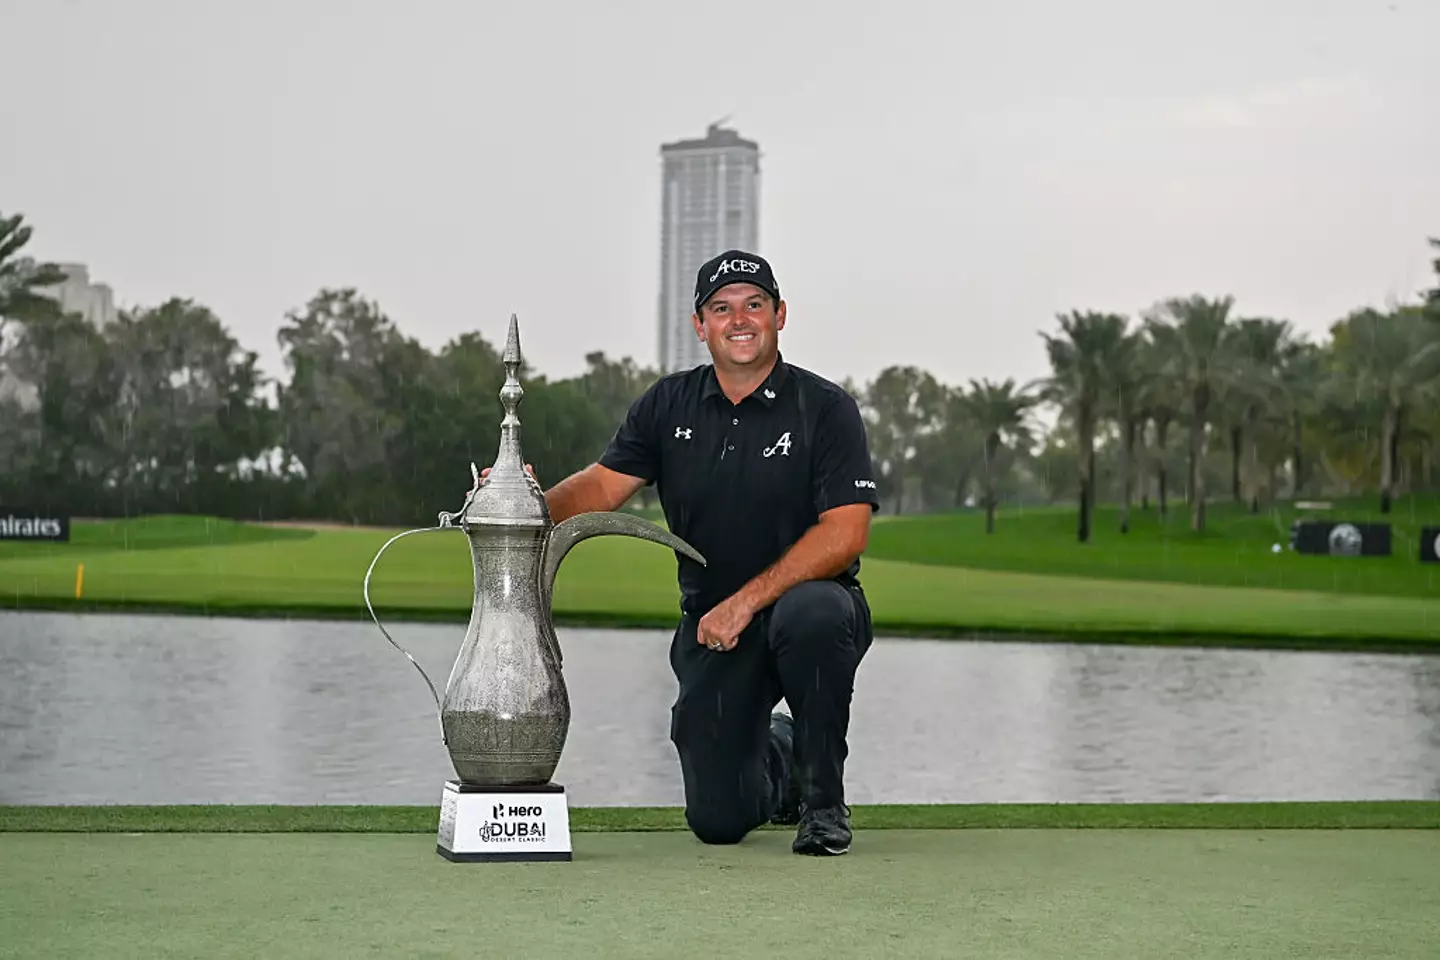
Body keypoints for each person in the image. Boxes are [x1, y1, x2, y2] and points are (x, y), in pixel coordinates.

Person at [532, 250, 879, 856]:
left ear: (780, 315)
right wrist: (522, 500)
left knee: (814, 614)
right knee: (718, 821)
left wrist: (746, 602)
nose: (738, 320)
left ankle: (824, 805)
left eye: (754, 305)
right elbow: (600, 487)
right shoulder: (668, 405)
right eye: (722, 308)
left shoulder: (826, 408)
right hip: (714, 630)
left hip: (812, 613)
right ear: (700, 324)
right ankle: (783, 756)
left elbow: (845, 533)